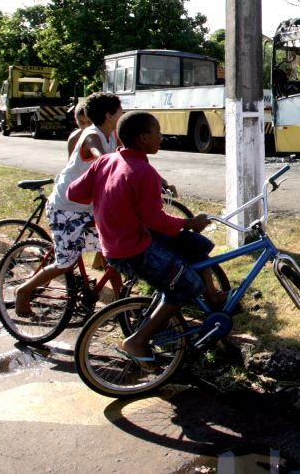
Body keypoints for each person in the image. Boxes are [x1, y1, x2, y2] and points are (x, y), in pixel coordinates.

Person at [67, 111, 218, 364]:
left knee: (195, 245)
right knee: (187, 286)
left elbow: (74, 192)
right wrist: (190, 223)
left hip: (117, 242)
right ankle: (138, 340)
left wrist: (108, 199)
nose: (161, 136)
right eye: (157, 132)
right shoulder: (142, 171)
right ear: (143, 138)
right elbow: (156, 220)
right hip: (133, 249)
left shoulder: (108, 161)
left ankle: (213, 296)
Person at [14, 92, 123, 316]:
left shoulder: (113, 133)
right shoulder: (91, 135)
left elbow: (129, 157)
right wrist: (107, 162)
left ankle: (122, 305)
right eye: (120, 109)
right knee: (66, 262)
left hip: (90, 206)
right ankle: (23, 291)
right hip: (67, 207)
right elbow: (99, 154)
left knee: (113, 254)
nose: (123, 112)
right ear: (109, 115)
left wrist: (157, 180)